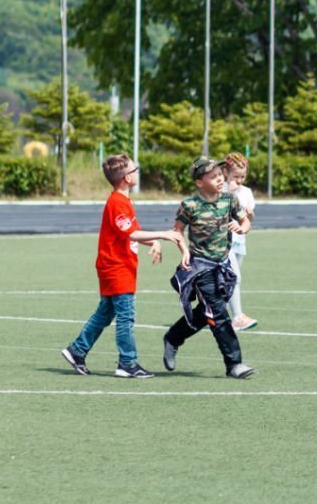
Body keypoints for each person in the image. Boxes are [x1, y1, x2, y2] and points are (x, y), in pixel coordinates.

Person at [60, 153, 184, 379]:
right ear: (127, 178)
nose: (138, 172)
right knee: (126, 316)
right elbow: (132, 233)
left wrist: (153, 241)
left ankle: (77, 350)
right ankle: (127, 362)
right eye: (135, 170)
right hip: (116, 267)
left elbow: (132, 232)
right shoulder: (117, 202)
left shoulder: (123, 201)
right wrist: (164, 234)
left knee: (105, 313)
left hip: (119, 266)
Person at [162, 155, 255, 379]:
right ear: (199, 182)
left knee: (206, 313)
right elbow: (177, 231)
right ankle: (234, 364)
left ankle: (173, 338)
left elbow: (246, 221)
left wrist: (242, 228)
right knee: (219, 314)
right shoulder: (189, 205)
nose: (220, 179)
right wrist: (184, 251)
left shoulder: (230, 200)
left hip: (223, 267)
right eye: (213, 177)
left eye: (220, 175)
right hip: (201, 268)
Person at [222, 152, 259, 331]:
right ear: (226, 172)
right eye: (236, 176)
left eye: (242, 176)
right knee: (234, 277)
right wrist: (229, 191)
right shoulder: (222, 189)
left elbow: (249, 219)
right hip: (224, 240)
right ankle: (237, 317)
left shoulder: (246, 192)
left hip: (239, 240)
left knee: (227, 280)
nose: (239, 180)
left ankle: (213, 314)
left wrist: (249, 214)